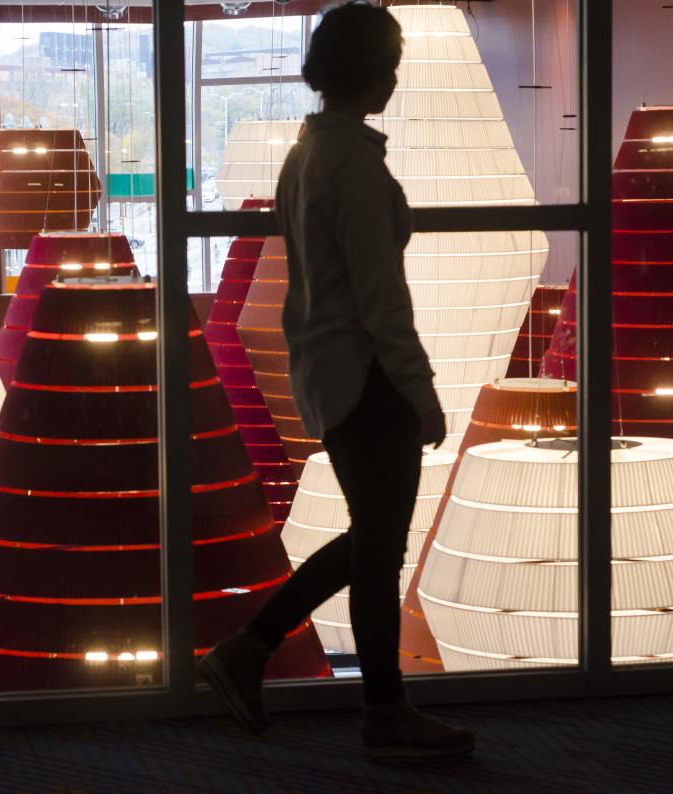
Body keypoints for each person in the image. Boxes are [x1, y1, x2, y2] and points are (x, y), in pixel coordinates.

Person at [199, 1, 475, 761]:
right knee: (378, 549)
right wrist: (421, 391)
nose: (394, 77)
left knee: (373, 545)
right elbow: (380, 294)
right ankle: (371, 707)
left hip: (330, 370)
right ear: (371, 72)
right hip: (370, 376)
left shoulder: (307, 153)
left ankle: (259, 655)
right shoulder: (350, 160)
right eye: (389, 63)